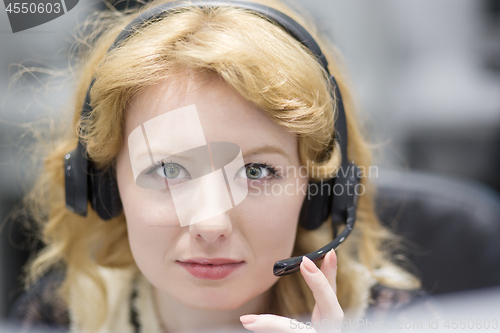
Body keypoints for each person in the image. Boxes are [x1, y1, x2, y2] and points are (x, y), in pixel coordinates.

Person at [6, 0, 426, 332]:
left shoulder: (392, 320)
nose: (210, 224)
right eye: (169, 169)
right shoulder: (60, 316)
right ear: (103, 186)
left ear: (321, 190)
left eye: (257, 171)